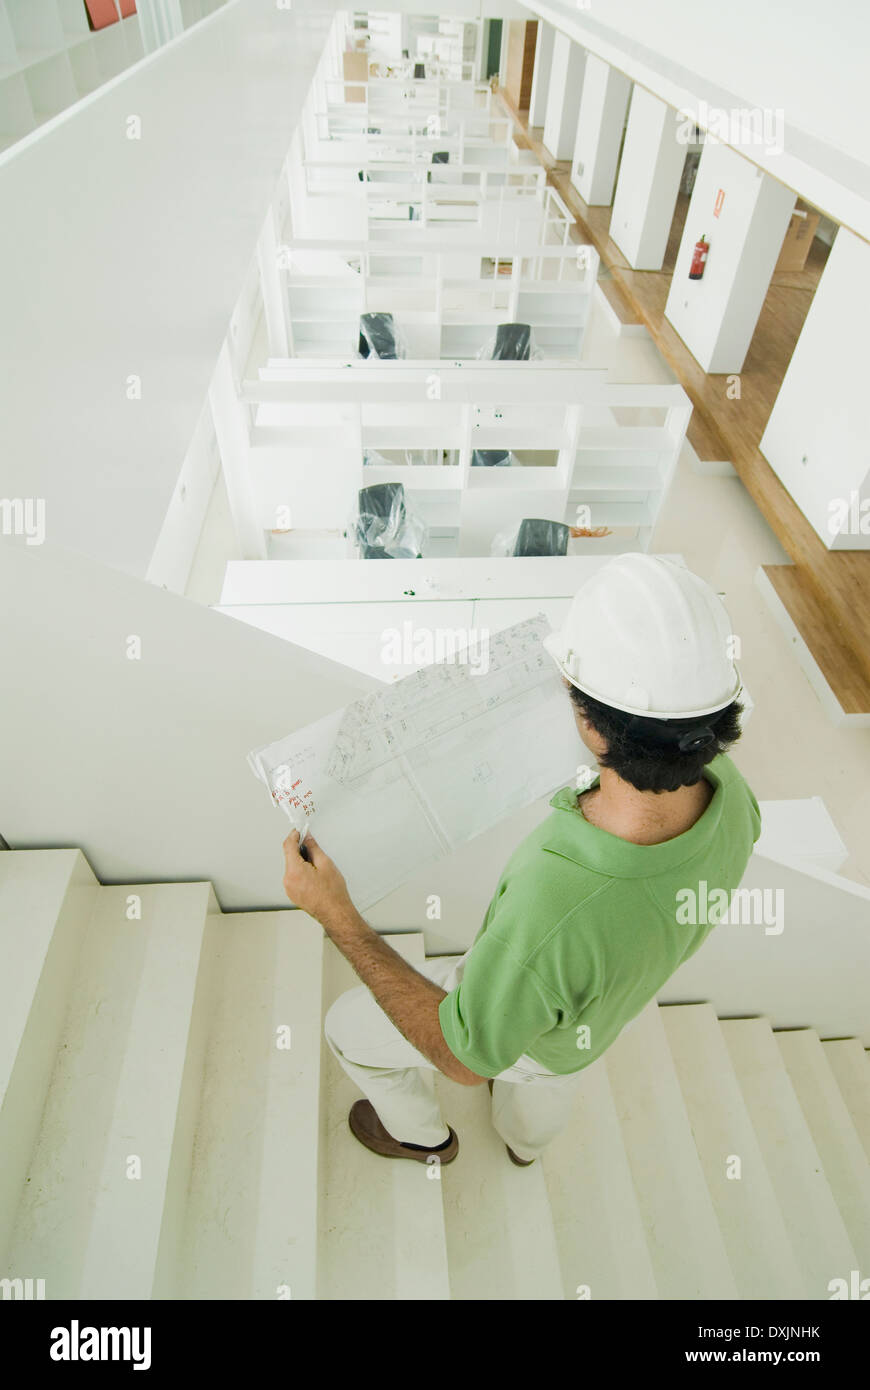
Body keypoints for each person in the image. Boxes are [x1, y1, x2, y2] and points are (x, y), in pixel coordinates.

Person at [281, 554, 760, 1166]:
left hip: (531, 1017)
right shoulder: (733, 795)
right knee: (546, 1086)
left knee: (350, 1030)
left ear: (592, 725)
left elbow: (459, 1059)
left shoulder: (553, 903)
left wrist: (337, 916)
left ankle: (421, 1137)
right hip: (590, 1026)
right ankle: (523, 1149)